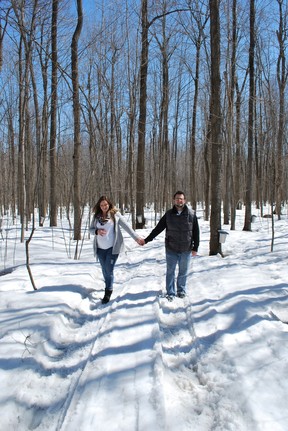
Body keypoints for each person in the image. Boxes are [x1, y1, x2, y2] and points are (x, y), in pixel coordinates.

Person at [142, 191, 199, 301]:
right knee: (170, 271)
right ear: (174, 200)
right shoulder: (168, 215)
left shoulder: (191, 215)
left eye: (181, 198)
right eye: (177, 198)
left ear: (185, 200)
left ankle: (181, 291)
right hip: (171, 249)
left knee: (183, 272)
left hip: (186, 249)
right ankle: (170, 292)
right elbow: (158, 229)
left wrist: (195, 247)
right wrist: (146, 240)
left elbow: (196, 232)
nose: (179, 200)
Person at [90, 196, 144, 304]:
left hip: (112, 248)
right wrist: (97, 231)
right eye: (101, 205)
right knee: (104, 269)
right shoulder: (96, 216)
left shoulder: (115, 215)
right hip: (100, 248)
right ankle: (108, 284)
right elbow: (91, 230)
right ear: (99, 206)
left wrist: (137, 238)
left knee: (109, 269)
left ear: (109, 204)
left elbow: (127, 227)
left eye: (105, 204)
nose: (104, 207)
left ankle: (108, 291)